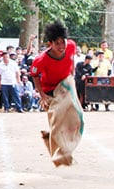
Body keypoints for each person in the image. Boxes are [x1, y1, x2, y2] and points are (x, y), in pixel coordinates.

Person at [30, 21, 84, 166]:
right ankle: (57, 150)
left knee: (76, 117)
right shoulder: (41, 59)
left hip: (66, 84)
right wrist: (42, 95)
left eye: (63, 42)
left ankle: (66, 149)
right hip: (50, 90)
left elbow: (71, 60)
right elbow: (34, 74)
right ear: (50, 44)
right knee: (57, 123)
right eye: (57, 43)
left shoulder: (71, 46)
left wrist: (71, 75)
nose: (61, 46)